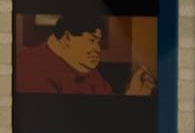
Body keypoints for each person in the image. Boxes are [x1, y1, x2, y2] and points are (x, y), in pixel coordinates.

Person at [15, 11, 156, 96]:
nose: (97, 49)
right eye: (91, 40)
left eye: (98, 42)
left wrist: (134, 94)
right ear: (67, 38)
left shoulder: (84, 65)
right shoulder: (29, 66)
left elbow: (108, 108)